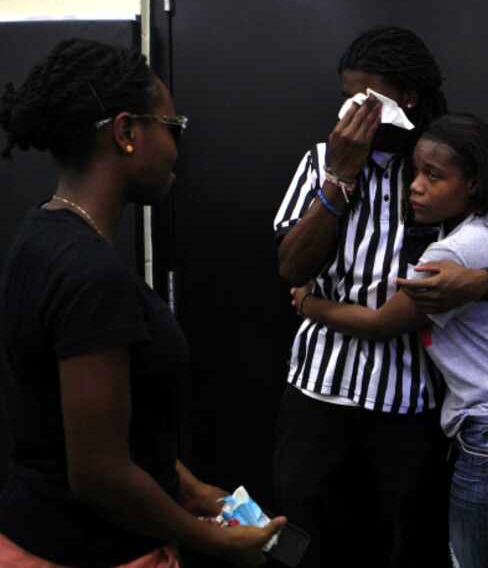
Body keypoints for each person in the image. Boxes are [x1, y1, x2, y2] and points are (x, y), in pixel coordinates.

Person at [272, 26, 488, 567]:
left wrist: (485, 280)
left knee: (403, 546)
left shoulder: (448, 163)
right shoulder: (323, 159)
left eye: (368, 100)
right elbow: (291, 266)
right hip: (318, 393)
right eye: (346, 100)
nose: (351, 114)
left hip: (408, 403)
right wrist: (341, 175)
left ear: (406, 97)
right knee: (307, 541)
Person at [0, 38, 284, 568]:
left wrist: (194, 490)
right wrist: (214, 540)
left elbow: (102, 430)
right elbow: (100, 473)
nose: (178, 148)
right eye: (172, 129)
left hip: (33, 534)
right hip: (86, 551)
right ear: (128, 133)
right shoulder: (90, 272)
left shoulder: (41, 231)